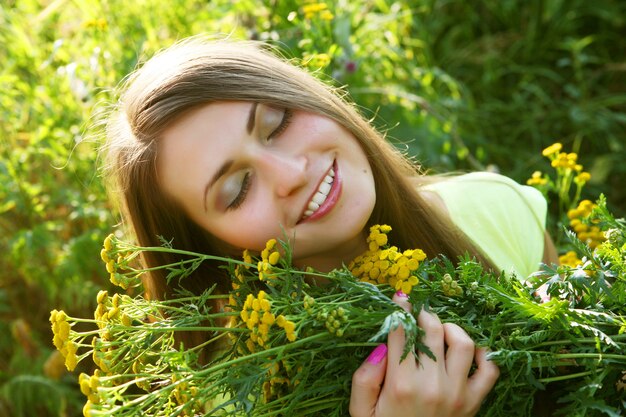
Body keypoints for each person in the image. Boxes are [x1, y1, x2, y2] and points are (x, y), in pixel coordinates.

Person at [102, 36, 557, 417]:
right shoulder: (237, 396)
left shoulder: (498, 207)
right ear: (209, 248)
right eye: (238, 189)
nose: (291, 173)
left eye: (277, 123)